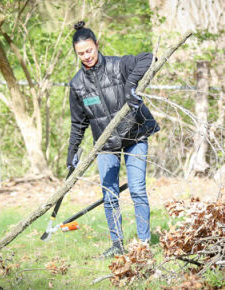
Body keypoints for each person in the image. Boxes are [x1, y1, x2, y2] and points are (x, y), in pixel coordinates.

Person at [66, 21, 160, 258]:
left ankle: (144, 244)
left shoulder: (119, 65)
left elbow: (149, 58)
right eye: (81, 53)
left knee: (137, 190)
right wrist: (72, 151)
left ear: (97, 45)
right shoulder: (77, 84)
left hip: (135, 135)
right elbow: (78, 123)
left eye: (89, 50)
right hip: (105, 144)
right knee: (110, 196)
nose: (86, 56)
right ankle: (117, 245)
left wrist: (130, 86)